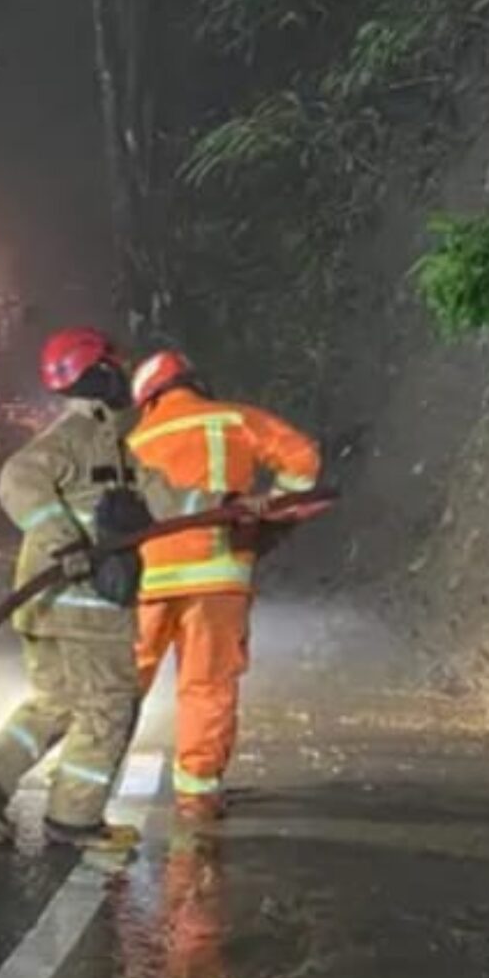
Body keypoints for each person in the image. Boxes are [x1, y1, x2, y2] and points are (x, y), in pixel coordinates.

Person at [0, 327, 215, 851]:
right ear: (94, 371)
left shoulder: (113, 446)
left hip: (48, 608)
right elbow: (16, 479)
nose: (122, 375)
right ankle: (73, 819)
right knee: (109, 707)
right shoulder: (75, 440)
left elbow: (166, 499)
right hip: (84, 612)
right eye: (114, 365)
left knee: (54, 702)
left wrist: (232, 509)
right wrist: (64, 542)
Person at [125, 350, 322, 821]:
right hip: (217, 575)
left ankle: (79, 772)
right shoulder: (232, 419)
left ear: (148, 399)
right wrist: (272, 512)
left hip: (147, 580)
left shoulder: (133, 440)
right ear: (193, 382)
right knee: (206, 685)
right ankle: (197, 793)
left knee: (122, 679)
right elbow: (302, 459)